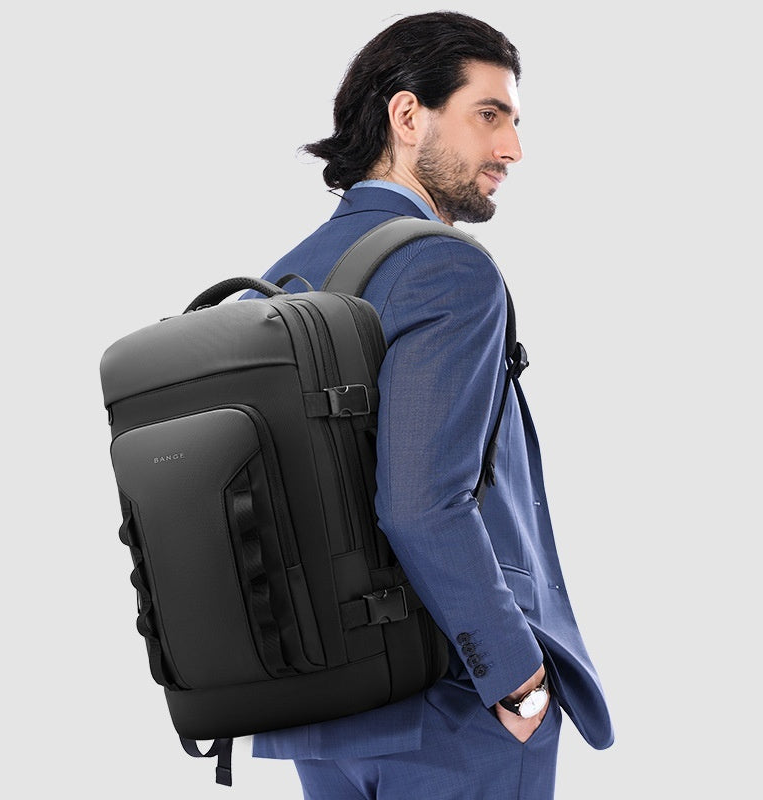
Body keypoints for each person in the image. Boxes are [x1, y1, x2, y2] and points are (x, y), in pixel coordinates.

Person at [244, 11, 614, 799]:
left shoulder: (272, 287)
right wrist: (515, 677)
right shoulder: (445, 269)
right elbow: (421, 504)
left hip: (321, 708)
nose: (511, 148)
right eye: (490, 115)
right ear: (408, 116)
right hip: (452, 701)